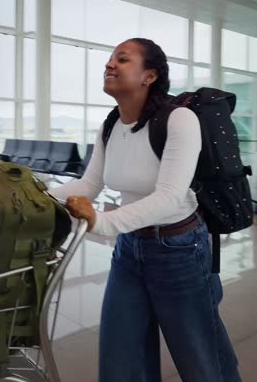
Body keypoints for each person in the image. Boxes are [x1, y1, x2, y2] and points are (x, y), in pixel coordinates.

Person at [49, 38, 241, 382]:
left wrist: (101, 222)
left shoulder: (179, 119)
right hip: (129, 251)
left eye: (122, 59)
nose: (109, 65)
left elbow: (169, 196)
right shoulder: (111, 123)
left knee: (202, 362)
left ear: (148, 76)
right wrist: (31, 195)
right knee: (122, 359)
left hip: (180, 250)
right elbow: (89, 184)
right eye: (110, 59)